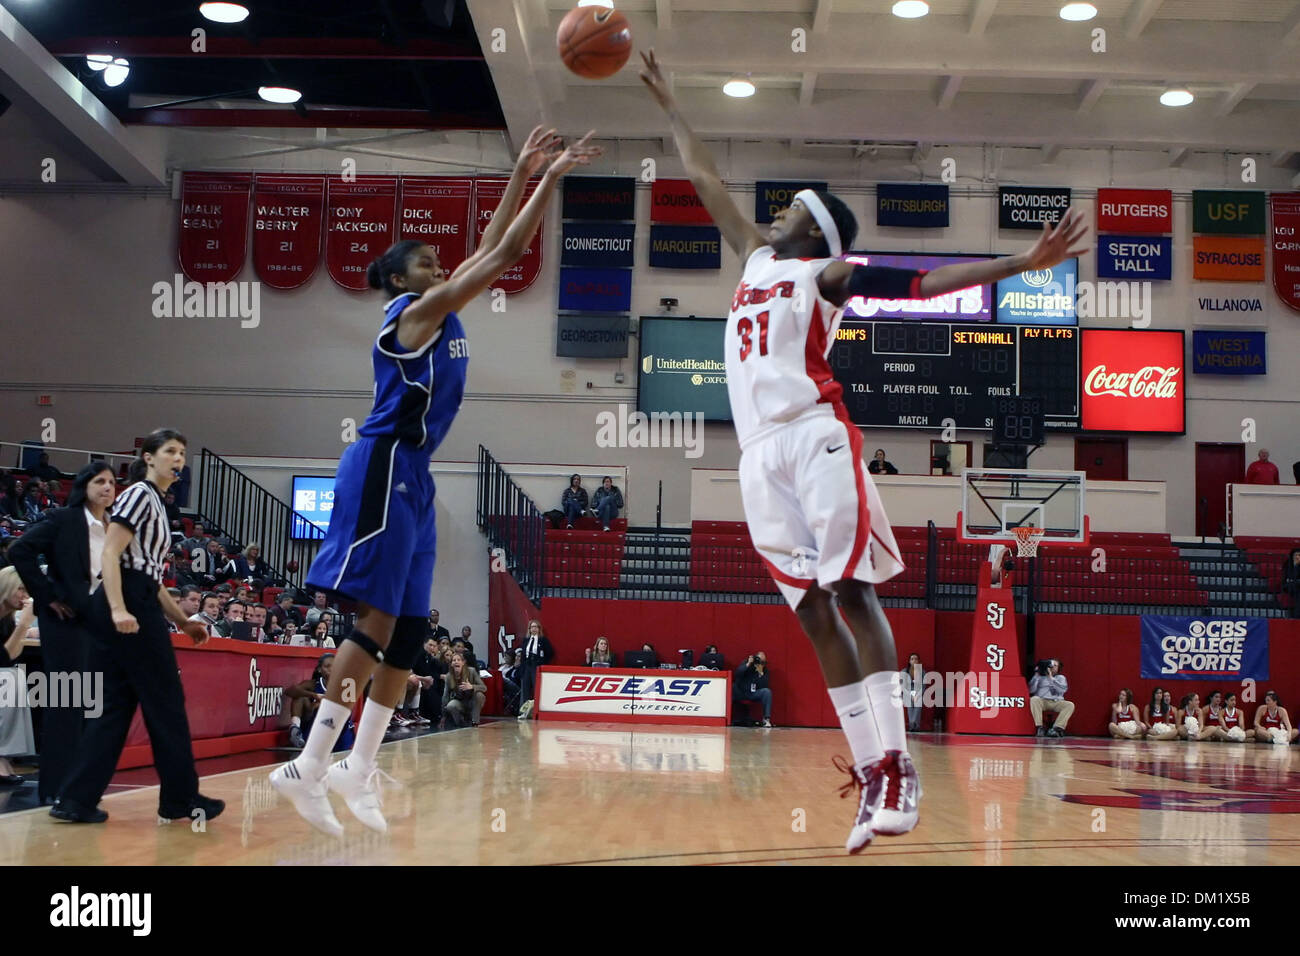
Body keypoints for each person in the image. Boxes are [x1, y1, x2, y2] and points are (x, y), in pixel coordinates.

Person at [640, 47, 1085, 854]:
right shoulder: (756, 260)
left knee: (851, 591)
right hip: (756, 457)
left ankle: (901, 766)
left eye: (789, 212)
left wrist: (1020, 263)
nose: (772, 216)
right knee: (811, 610)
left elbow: (923, 282)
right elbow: (707, 180)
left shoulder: (824, 274)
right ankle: (869, 771)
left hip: (814, 434)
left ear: (813, 223)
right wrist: (672, 106)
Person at [271, 127, 601, 836]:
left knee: (413, 628)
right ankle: (310, 764)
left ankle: (358, 767)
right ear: (400, 280)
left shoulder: (440, 304)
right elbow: (507, 253)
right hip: (383, 464)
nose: (440, 263)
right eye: (426, 260)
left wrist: (518, 170)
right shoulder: (413, 317)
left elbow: (488, 249)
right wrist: (554, 177)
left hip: (415, 475)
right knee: (377, 620)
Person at [50, 429, 224, 825]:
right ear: (148, 457)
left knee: (115, 708)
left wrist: (183, 620)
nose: (179, 459)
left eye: (182, 452)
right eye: (170, 452)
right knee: (166, 703)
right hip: (125, 601)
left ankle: (75, 799)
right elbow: (111, 554)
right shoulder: (140, 495)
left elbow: (152, 577)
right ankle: (180, 799)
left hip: (136, 596)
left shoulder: (158, 504)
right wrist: (117, 609)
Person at [7, 461, 116, 803]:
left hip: (97, 623)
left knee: (89, 707)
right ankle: (55, 789)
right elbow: (19, 550)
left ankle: (80, 788)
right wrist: (48, 596)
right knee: (66, 705)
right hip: (65, 622)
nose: (107, 487)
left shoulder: (113, 527)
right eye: (99, 481)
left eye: (112, 482)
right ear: (84, 486)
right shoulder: (63, 519)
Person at [0, 568, 38, 786]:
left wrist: (21, 627)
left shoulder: (6, 618)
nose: (25, 596)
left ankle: (4, 756)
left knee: (15, 677)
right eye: (20, 589)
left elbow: (12, 657)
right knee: (10, 680)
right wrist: (24, 624)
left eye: (27, 590)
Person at [285, 654, 356, 752]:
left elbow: (348, 709)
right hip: (316, 728)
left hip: (340, 731)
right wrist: (314, 695)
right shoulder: (314, 684)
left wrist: (319, 704)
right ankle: (295, 728)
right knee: (300, 696)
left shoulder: (347, 683)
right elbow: (289, 691)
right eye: (327, 666)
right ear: (319, 670)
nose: (331, 669)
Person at [516, 618, 555, 720]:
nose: (534, 629)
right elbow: (523, 655)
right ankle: (524, 712)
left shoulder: (543, 640)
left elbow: (550, 653)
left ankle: (536, 711)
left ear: (539, 628)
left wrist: (542, 663)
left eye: (536, 627)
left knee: (537, 689)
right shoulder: (526, 640)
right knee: (525, 690)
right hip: (527, 666)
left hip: (536, 666)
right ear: (529, 629)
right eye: (532, 627)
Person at [1028, 659, 1074, 738]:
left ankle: (1056, 728)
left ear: (1058, 668)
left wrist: (1050, 677)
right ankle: (1039, 727)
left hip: (1056, 702)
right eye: (1051, 665)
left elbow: (1062, 690)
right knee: (1034, 699)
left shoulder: (1060, 678)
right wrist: (1036, 676)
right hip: (1043, 701)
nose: (1052, 667)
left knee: (1069, 705)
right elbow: (1031, 690)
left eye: (1055, 666)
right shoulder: (1039, 677)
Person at [440, 651, 486, 729]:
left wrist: (472, 686)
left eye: (458, 660)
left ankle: (475, 722)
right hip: (459, 701)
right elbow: (445, 696)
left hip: (472, 701)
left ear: (463, 662)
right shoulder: (448, 676)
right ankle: (460, 723)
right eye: (454, 660)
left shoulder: (472, 671)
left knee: (479, 695)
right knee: (451, 705)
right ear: (451, 664)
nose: (456, 662)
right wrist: (443, 716)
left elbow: (484, 688)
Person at [734, 652, 772, 727]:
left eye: (763, 662)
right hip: (741, 692)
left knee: (767, 692)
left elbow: (765, 685)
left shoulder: (764, 670)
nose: (761, 663)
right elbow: (738, 673)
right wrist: (748, 664)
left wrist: (761, 673)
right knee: (732, 687)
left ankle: (766, 719)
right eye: (760, 660)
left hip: (753, 693)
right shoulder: (747, 663)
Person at [900, 653, 924, 732]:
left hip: (918, 693)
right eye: (912, 659)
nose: (914, 660)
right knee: (910, 709)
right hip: (908, 693)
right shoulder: (904, 671)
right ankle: (912, 726)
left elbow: (923, 686)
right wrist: (910, 696)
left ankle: (915, 726)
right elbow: (903, 686)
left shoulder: (923, 672)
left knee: (918, 708)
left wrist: (918, 695)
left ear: (918, 661)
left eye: (916, 659)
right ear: (909, 661)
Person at [1282, 549, 1300, 619]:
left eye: (1299, 555)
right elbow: (1288, 577)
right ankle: (1297, 615)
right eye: (1296, 555)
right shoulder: (1288, 564)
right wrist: (1295, 566)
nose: (1297, 557)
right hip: (1290, 586)